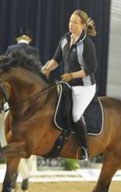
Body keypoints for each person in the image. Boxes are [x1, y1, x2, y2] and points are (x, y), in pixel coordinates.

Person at [41, 9, 97, 161]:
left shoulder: (87, 44)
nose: (71, 25)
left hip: (84, 87)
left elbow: (90, 69)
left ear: (83, 25)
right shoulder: (65, 39)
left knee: (76, 114)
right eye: (70, 21)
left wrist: (72, 75)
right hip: (68, 84)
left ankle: (85, 149)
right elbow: (56, 59)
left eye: (75, 22)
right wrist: (45, 69)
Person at [3, 28, 41, 192]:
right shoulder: (34, 52)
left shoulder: (10, 49)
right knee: (30, 149)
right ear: (29, 40)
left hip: (13, 100)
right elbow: (38, 75)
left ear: (17, 39)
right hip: (30, 102)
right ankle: (25, 186)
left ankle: (11, 188)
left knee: (0, 116)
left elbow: (4, 72)